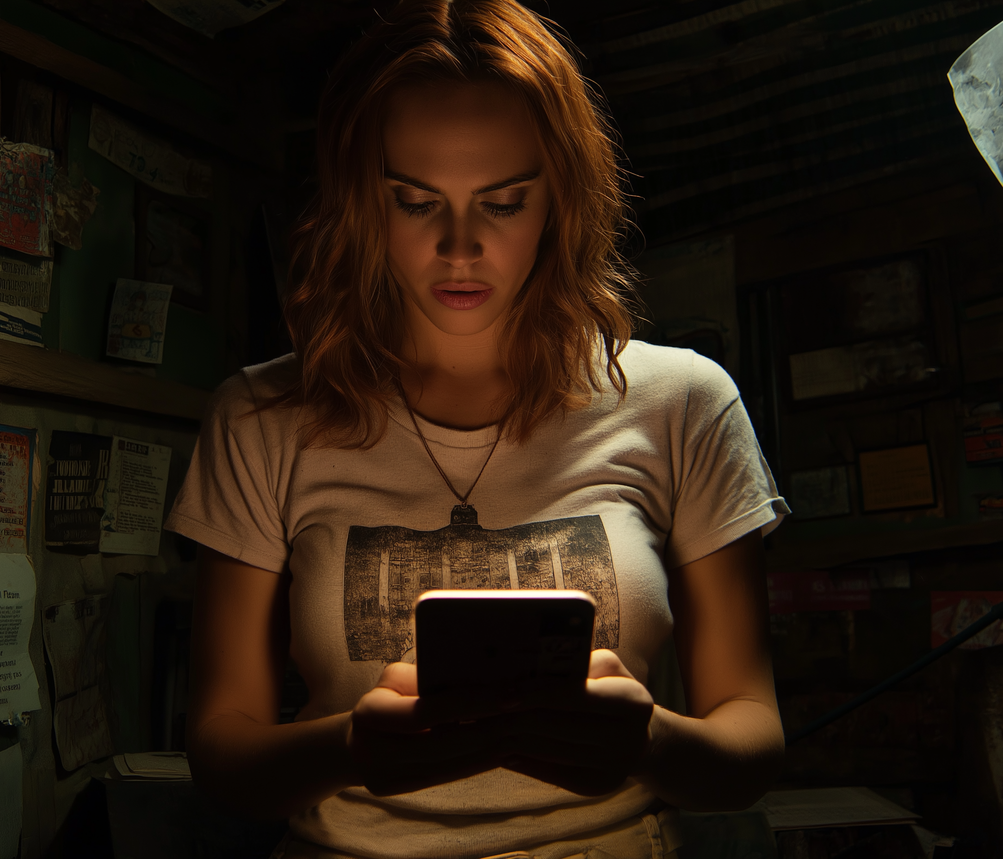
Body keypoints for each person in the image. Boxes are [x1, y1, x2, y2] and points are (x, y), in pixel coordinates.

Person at [165, 1, 790, 856]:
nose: (460, 249)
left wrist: (648, 739)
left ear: (559, 198)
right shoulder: (263, 418)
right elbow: (222, 752)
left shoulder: (683, 402)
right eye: (417, 203)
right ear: (360, 202)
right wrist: (352, 746)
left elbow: (751, 740)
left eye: (503, 202)